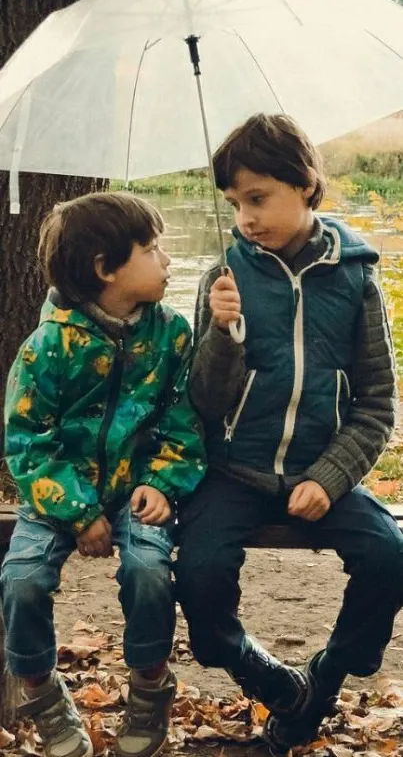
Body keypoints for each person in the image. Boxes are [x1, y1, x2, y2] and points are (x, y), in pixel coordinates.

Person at [175, 113, 403, 757]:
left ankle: (325, 679)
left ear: (305, 185)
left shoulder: (356, 277)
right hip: (234, 473)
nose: (245, 217)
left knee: (390, 556)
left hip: (319, 470)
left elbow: (378, 404)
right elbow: (202, 402)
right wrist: (220, 335)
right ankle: (268, 678)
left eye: (258, 197)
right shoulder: (225, 276)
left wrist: (329, 480)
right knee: (198, 572)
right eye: (234, 203)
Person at [1, 191, 206, 757]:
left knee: (146, 570)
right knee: (20, 581)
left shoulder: (172, 336)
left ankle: (148, 687)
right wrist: (79, 512)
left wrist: (162, 482)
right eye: (152, 248)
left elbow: (184, 421)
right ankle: (42, 695)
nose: (166, 259)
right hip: (58, 491)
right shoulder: (47, 348)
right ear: (105, 268)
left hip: (138, 493)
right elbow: (26, 443)